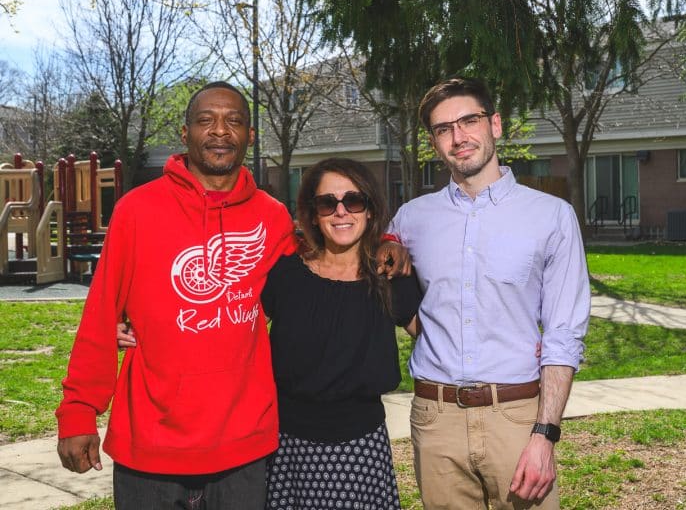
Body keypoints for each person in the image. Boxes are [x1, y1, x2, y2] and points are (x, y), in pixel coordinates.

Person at [118, 157, 421, 509]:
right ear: (312, 213)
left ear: (369, 209)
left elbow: (436, 340)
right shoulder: (284, 274)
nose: (341, 213)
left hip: (359, 449)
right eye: (327, 203)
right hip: (286, 446)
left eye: (353, 201)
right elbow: (223, 314)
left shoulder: (390, 277)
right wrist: (133, 320)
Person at [56, 81, 297, 509]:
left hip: (244, 444)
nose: (220, 131)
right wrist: (79, 410)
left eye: (234, 121)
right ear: (185, 134)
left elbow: (317, 282)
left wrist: (388, 242)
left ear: (250, 136)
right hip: (150, 444)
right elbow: (100, 314)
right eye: (206, 120)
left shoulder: (272, 217)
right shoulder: (137, 209)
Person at [387, 77, 591, 509]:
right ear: (434, 142)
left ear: (495, 124)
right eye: (444, 129)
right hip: (435, 419)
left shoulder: (551, 216)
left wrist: (545, 435)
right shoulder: (411, 218)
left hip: (516, 418)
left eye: (469, 121)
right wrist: (413, 319)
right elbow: (377, 268)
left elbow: (563, 334)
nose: (458, 137)